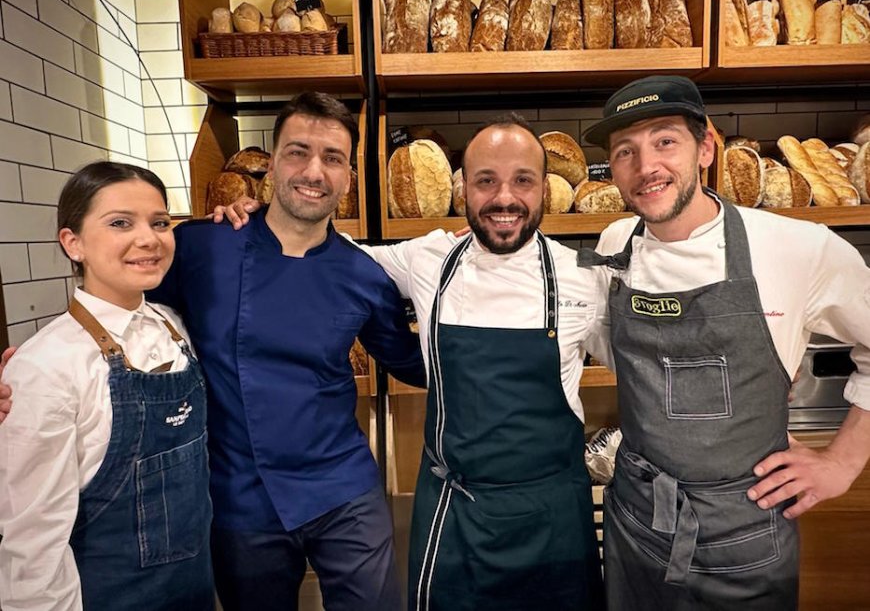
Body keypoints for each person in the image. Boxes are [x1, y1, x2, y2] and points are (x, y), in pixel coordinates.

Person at [216, 113, 610, 611]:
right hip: (454, 511)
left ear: (545, 191)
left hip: (553, 509)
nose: (504, 199)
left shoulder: (585, 278)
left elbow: (645, 375)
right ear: (463, 188)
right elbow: (324, 253)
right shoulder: (429, 260)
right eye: (486, 181)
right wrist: (258, 216)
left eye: (523, 181)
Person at [579, 75, 870, 610]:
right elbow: (599, 334)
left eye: (665, 140)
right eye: (626, 151)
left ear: (706, 147)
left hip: (746, 536)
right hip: (637, 525)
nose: (647, 167)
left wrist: (843, 462)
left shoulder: (798, 247)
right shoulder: (615, 243)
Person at [147, 92, 426, 611]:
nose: (313, 171)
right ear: (272, 163)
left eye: (333, 158)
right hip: (240, 492)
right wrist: (51, 365)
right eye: (298, 152)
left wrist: (487, 315)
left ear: (349, 176)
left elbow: (411, 362)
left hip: (342, 484)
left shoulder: (364, 276)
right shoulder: (203, 246)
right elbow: (133, 319)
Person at [0, 162, 214, 611]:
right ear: (72, 243)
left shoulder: (172, 326)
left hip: (193, 586)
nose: (148, 238)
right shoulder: (45, 365)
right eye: (120, 223)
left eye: (160, 222)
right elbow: (34, 539)